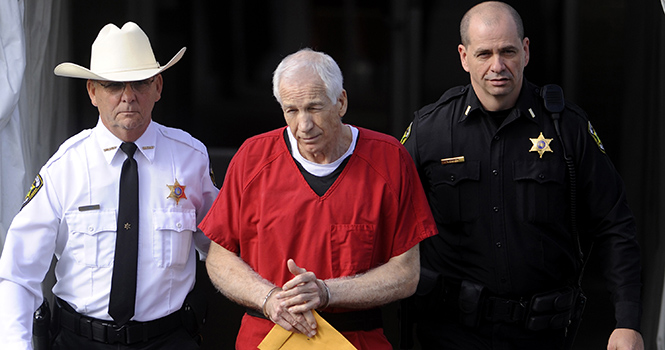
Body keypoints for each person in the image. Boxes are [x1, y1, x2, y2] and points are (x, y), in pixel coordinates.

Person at [401, 2, 644, 349]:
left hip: (543, 334)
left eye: (508, 51)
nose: (497, 66)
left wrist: (628, 322)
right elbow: (382, 213)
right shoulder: (430, 130)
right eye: (484, 53)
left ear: (526, 51)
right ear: (463, 56)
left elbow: (614, 224)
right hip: (450, 334)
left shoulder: (567, 128)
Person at [199, 48, 437, 350]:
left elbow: (406, 273)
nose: (303, 125)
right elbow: (219, 256)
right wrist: (269, 298)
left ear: (341, 102)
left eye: (314, 108)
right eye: (292, 111)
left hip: (356, 340)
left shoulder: (390, 159)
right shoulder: (251, 157)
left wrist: (327, 292)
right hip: (267, 337)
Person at [0, 22, 218, 350]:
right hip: (79, 341)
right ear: (92, 92)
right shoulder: (65, 168)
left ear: (158, 86)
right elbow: (19, 272)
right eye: (114, 85)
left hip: (169, 340)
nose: (128, 97)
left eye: (140, 83)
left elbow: (222, 247)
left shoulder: (190, 159)